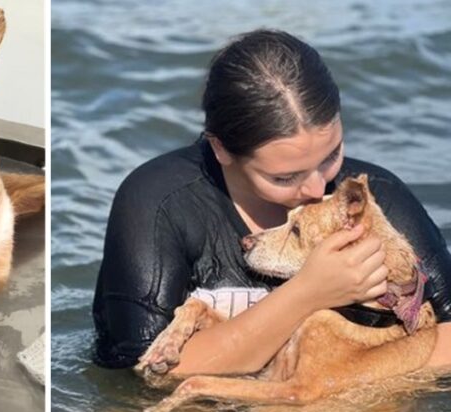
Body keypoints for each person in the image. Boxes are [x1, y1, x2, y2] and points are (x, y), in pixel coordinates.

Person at [91, 29, 451, 375]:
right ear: (221, 149)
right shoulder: (160, 203)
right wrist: (308, 294)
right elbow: (136, 371)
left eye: (331, 156)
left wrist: (335, 380)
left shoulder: (377, 200)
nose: (317, 187)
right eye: (284, 177)